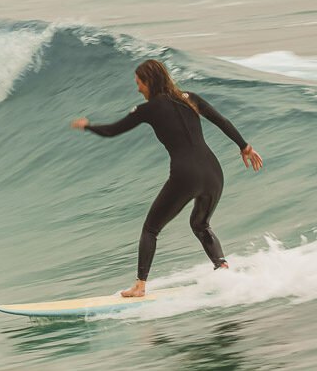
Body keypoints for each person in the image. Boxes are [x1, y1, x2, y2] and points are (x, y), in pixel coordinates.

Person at [70, 60, 262, 297]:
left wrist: (88, 126)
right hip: (213, 172)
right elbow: (222, 121)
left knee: (151, 228)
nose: (138, 89)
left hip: (185, 175)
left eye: (139, 83)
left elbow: (112, 131)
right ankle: (222, 268)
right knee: (200, 224)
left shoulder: (147, 109)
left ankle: (140, 286)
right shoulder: (189, 97)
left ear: (149, 82)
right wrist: (244, 147)